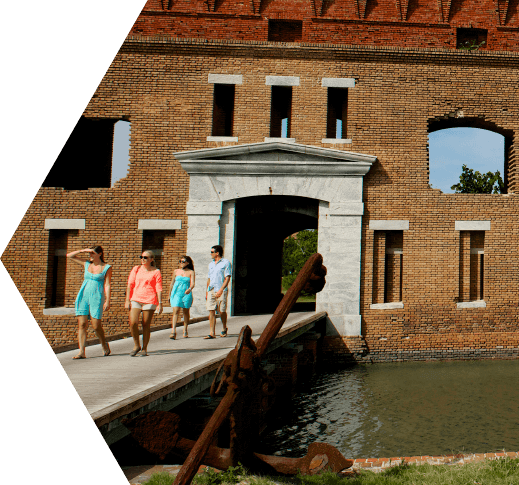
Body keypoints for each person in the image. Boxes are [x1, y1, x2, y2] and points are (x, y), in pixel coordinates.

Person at [67, 246, 112, 359]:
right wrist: (82, 250)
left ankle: (104, 344)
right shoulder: (87, 264)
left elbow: (107, 284)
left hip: (97, 296)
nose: (90, 256)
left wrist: (108, 300)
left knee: (96, 325)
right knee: (82, 324)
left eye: (92, 253)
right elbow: (69, 256)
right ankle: (81, 351)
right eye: (89, 254)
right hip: (83, 295)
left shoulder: (106, 267)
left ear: (100, 254)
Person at [125, 250, 163, 356]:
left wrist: (160, 303)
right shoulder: (136, 269)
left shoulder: (156, 271)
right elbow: (130, 284)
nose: (142, 259)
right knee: (133, 323)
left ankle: (144, 348)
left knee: (146, 324)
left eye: (145, 257)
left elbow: (158, 288)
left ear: (151, 259)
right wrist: (127, 300)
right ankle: (136, 345)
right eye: (141, 257)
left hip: (150, 300)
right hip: (136, 298)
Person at [205, 245, 231, 339]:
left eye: (212, 252)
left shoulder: (226, 262)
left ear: (217, 253)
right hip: (211, 289)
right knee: (211, 310)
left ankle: (224, 327)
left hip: (221, 289)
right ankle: (212, 332)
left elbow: (227, 277)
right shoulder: (210, 264)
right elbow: (209, 278)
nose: (210, 254)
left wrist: (221, 290)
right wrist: (207, 292)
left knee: (221, 311)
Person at [168, 256, 195, 339]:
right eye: (180, 261)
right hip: (176, 293)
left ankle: (185, 329)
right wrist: (169, 294)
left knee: (185, 311)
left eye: (183, 261)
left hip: (186, 293)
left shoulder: (191, 272)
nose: (181, 263)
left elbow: (193, 283)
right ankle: (173, 331)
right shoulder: (176, 271)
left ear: (188, 262)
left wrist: (189, 289)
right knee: (175, 311)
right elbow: (172, 283)